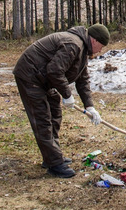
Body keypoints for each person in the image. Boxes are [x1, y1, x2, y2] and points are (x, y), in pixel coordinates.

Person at [13, 23, 110, 178]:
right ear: (95, 41)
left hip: (43, 78)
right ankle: (54, 163)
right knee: (43, 118)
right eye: (102, 46)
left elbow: (83, 80)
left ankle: (52, 155)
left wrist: (90, 107)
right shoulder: (73, 45)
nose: (100, 51)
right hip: (30, 75)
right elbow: (55, 70)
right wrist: (67, 94)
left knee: (55, 113)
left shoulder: (82, 50)